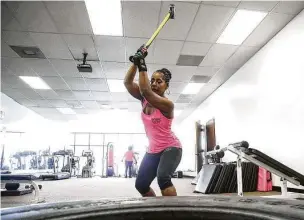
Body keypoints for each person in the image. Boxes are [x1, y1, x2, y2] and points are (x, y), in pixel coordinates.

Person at [123, 45, 182, 196]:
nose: (154, 83)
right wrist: (136, 63)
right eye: (153, 80)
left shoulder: (167, 105)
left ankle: (174, 214)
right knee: (141, 184)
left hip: (171, 147)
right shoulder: (144, 99)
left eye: (159, 81)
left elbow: (146, 91)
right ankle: (155, 211)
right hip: (153, 149)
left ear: (166, 86)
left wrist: (142, 64)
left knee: (163, 178)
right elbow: (128, 83)